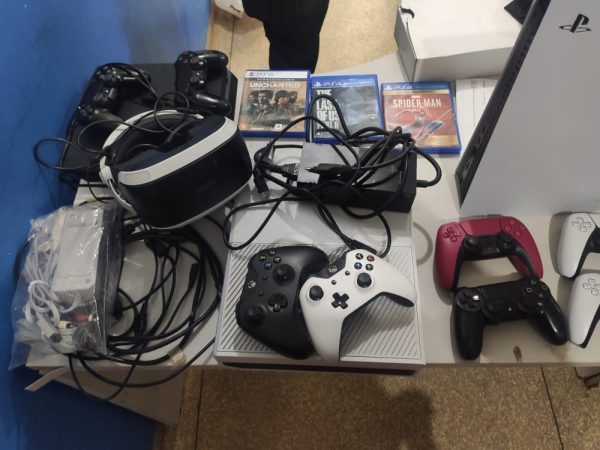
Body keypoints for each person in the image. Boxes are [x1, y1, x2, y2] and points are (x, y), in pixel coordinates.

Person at [242, 0, 330, 73]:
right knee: (307, 47)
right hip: (310, 25)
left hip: (284, 36)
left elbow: (253, 9)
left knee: (286, 69)